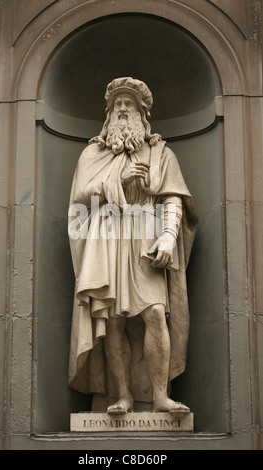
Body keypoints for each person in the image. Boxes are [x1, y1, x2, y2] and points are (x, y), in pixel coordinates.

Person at [68, 77, 198, 415]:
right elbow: (81, 195)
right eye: (117, 107)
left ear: (143, 115)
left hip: (146, 236)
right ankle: (122, 395)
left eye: (130, 106)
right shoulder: (92, 153)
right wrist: (117, 180)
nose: (123, 111)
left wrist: (169, 236)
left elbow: (172, 197)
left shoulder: (160, 153)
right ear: (108, 116)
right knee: (113, 320)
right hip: (107, 237)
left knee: (155, 313)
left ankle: (159, 396)